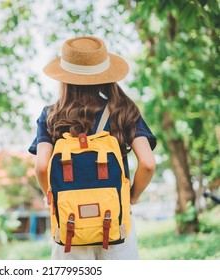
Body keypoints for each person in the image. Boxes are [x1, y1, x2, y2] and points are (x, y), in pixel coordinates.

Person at [28, 36, 157, 260]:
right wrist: (130, 198)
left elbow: (41, 167)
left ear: (64, 77)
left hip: (70, 224)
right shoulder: (122, 109)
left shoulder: (51, 115)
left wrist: (53, 197)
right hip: (116, 219)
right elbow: (147, 163)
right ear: (104, 74)